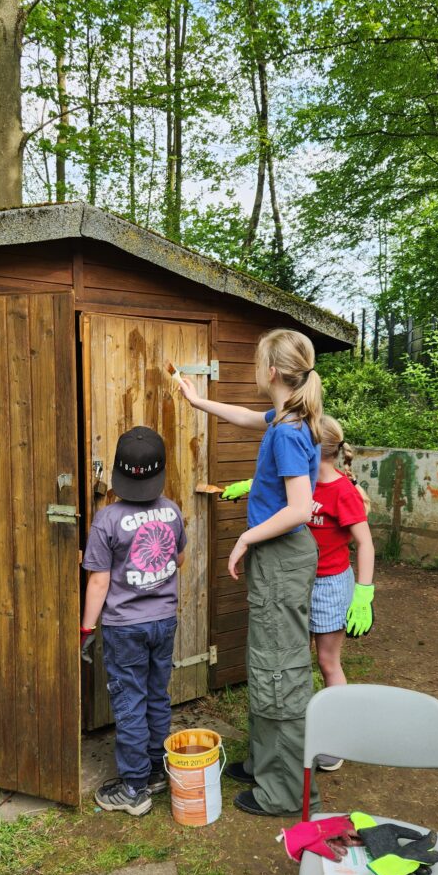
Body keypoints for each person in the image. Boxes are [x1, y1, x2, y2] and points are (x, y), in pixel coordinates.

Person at [178, 328, 322, 817]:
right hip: (277, 556)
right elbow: (243, 415)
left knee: (279, 668)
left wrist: (244, 538)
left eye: (260, 363)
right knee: (267, 659)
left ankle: (284, 790)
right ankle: (265, 762)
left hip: (281, 556)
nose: (257, 370)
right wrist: (198, 401)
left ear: (273, 372)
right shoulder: (288, 416)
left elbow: (300, 507)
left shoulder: (287, 431)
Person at [81, 426, 186, 817]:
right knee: (156, 696)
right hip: (164, 620)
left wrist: (86, 627)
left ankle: (134, 788)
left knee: (130, 703)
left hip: (125, 627)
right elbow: (178, 557)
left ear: (119, 473)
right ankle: (156, 770)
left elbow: (99, 580)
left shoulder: (107, 519)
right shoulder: (172, 510)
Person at [308, 416, 375, 771]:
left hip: (330, 585)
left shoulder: (342, 491)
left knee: (328, 663)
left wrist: (364, 594)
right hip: (299, 581)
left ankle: (337, 741)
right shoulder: (302, 483)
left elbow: (365, 543)